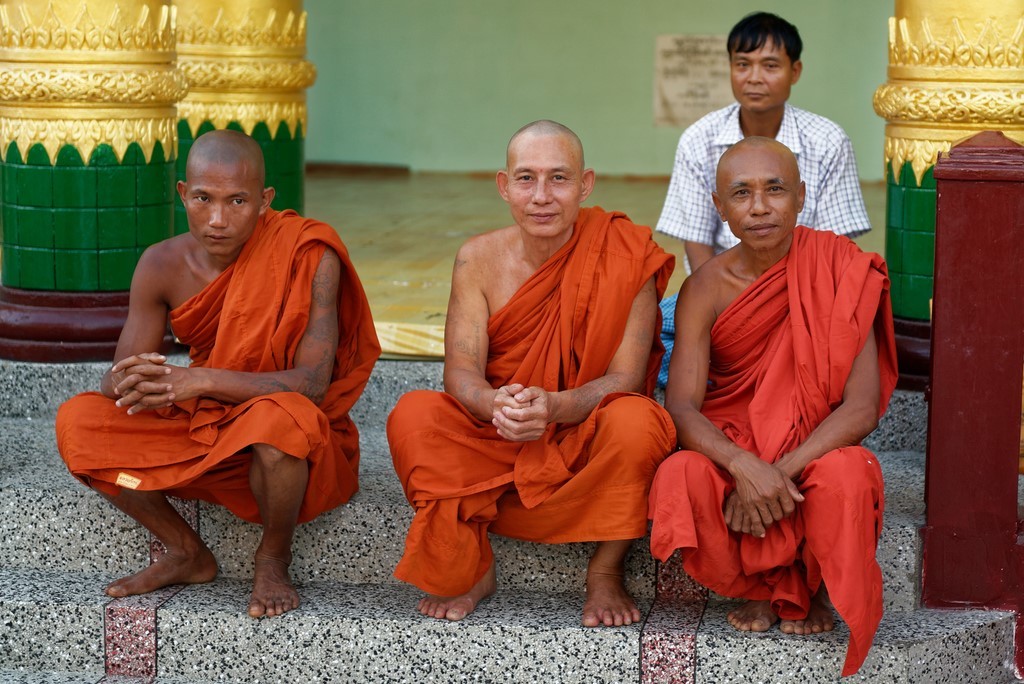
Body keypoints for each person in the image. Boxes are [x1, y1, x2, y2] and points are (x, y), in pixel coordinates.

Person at [56, 130, 380, 618]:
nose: (217, 219)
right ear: (183, 192)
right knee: (79, 422)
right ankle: (185, 550)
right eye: (204, 198)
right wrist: (136, 379)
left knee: (281, 424)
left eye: (238, 201)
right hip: (207, 423)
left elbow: (311, 385)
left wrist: (200, 379)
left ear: (265, 201)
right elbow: (118, 380)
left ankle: (272, 557)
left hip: (281, 428)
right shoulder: (161, 264)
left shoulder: (310, 255)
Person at [387, 120, 676, 627]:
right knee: (413, 414)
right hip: (496, 431)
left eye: (559, 179)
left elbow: (626, 379)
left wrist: (555, 407)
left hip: (581, 432)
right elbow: (460, 371)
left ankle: (606, 569)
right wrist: (494, 405)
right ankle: (471, 562)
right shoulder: (476, 259)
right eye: (526, 179)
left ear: (585, 185)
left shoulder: (628, 255)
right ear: (504, 185)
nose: (542, 196)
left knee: (640, 423)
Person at [647, 137, 897, 677]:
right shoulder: (705, 288)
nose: (759, 207)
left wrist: (774, 473)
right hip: (737, 447)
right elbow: (683, 406)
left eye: (775, 189)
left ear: (802, 196)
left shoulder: (840, 268)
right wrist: (741, 465)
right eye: (741, 193)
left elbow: (861, 408)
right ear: (719, 207)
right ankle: (753, 586)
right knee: (680, 473)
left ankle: (819, 585)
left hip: (810, 450)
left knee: (849, 470)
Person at [655, 11, 870, 386]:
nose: (754, 78)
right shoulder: (698, 139)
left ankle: (741, 376)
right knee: (652, 334)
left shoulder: (828, 140)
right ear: (730, 69)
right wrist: (728, 310)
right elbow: (696, 239)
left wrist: (782, 308)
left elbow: (834, 251)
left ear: (795, 71)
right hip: (725, 295)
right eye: (743, 64)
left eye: (770, 65)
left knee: (852, 336)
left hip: (806, 294)